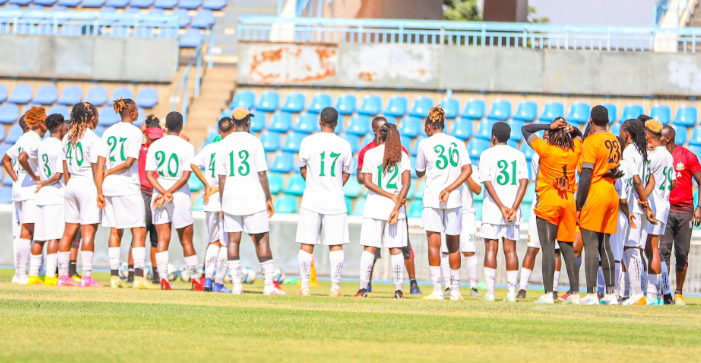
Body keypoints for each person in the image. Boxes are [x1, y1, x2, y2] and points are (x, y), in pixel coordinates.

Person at [217, 109, 285, 296]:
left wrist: (222, 203)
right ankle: (269, 286)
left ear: (232, 122)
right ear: (248, 122)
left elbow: (221, 178)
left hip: (231, 197)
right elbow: (261, 173)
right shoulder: (255, 142)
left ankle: (237, 285)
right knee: (262, 239)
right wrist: (269, 198)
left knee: (233, 240)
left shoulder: (224, 143)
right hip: (253, 197)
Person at [356, 116, 421, 295]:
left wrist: (388, 195)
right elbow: (407, 184)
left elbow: (367, 182)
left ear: (380, 136)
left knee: (369, 248)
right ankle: (398, 290)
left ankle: (363, 288)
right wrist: (396, 201)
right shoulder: (402, 155)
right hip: (395, 209)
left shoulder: (370, 154)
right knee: (396, 249)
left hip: (374, 207)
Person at [520, 119, 583, 304]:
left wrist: (549, 126)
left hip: (548, 200)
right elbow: (579, 135)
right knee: (567, 249)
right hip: (568, 201)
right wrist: (572, 129)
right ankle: (576, 295)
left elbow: (525, 129)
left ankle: (548, 295)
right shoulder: (574, 151)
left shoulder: (546, 150)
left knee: (547, 248)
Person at [96, 98, 153, 289]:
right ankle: (138, 277)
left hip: (108, 186)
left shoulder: (108, 131)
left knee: (115, 229)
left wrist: (99, 189)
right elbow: (129, 163)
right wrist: (110, 172)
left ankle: (114, 277)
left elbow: (100, 164)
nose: (138, 113)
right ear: (132, 113)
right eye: (136, 110)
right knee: (139, 229)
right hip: (127, 184)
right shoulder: (135, 132)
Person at [416, 106, 471, 300]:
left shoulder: (424, 144)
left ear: (430, 125)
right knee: (454, 245)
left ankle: (437, 290)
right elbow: (468, 170)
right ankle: (455, 291)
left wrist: (441, 187)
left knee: (434, 245)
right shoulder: (457, 143)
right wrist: (450, 188)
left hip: (432, 198)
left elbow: (419, 171)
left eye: (426, 126)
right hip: (454, 198)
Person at [296, 107, 353, 297]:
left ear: (319, 121)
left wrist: (313, 183)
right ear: (337, 123)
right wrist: (335, 184)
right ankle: (335, 288)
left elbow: (303, 168)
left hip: (312, 199)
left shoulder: (307, 142)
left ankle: (305, 287)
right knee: (336, 245)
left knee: (306, 244)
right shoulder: (344, 145)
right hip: (335, 200)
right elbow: (346, 173)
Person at [146, 111, 200, 291]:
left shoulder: (155, 145)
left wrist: (162, 192)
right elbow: (185, 176)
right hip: (179, 194)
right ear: (182, 127)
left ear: (165, 127)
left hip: (159, 192)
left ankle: (163, 279)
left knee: (162, 238)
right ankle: (195, 279)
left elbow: (149, 175)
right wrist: (169, 192)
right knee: (186, 241)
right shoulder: (187, 146)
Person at [577, 105, 625, 305]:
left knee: (590, 246)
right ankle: (611, 293)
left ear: (591, 120)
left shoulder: (591, 141)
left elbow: (586, 176)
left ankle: (590, 294)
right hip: (611, 193)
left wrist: (579, 205)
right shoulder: (615, 140)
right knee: (605, 246)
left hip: (595, 192)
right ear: (608, 121)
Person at [479, 122, 528, 302]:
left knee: (491, 249)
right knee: (511, 250)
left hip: (493, 209)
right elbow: (524, 182)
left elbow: (487, 182)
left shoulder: (486, 154)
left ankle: (490, 293)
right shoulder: (519, 155)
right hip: (512, 211)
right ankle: (511, 294)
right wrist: (513, 207)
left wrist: (501, 207)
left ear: (494, 136)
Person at [56, 102, 103, 287]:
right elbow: (95, 169)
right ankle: (87, 277)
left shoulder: (67, 136)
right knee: (88, 232)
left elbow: (65, 167)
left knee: (68, 232)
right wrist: (100, 192)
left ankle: (62, 277)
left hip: (72, 184)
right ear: (92, 118)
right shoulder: (92, 138)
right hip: (87, 184)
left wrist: (70, 186)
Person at [517, 129, 563, 300]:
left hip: (555, 202)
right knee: (533, 247)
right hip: (541, 201)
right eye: (543, 138)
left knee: (555, 250)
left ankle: (554, 289)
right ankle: (522, 288)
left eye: (547, 137)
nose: (545, 140)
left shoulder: (559, 154)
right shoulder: (539, 156)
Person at [660, 125, 701, 305]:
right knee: (664, 252)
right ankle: (665, 292)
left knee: (682, 254)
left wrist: (699, 207)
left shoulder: (688, 156)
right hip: (666, 211)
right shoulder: (659, 157)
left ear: (668, 138)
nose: (656, 139)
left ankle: (679, 292)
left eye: (659, 136)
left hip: (685, 213)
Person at [191, 117, 232, 293]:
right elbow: (230, 177)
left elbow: (193, 164)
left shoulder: (210, 148)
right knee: (225, 244)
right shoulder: (232, 149)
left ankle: (207, 280)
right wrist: (215, 188)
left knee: (213, 242)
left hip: (209, 202)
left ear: (218, 131)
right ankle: (219, 283)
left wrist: (207, 185)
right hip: (227, 201)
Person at [619, 118, 655, 305]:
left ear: (627, 133)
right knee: (634, 249)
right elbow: (651, 181)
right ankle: (631, 293)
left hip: (632, 206)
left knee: (631, 248)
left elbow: (637, 181)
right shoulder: (643, 152)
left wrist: (643, 203)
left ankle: (636, 294)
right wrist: (646, 204)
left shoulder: (630, 152)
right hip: (640, 207)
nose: (619, 134)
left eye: (621, 131)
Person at [28, 114, 66, 286]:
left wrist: (39, 180)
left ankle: (33, 275)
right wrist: (44, 181)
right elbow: (58, 175)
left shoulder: (41, 144)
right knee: (54, 237)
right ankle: (51, 276)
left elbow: (25, 158)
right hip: (55, 195)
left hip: (41, 196)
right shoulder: (60, 145)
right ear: (60, 127)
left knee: (39, 237)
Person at [642, 119, 676, 305]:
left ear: (648, 136)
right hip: (664, 204)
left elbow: (646, 180)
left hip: (654, 206)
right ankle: (665, 292)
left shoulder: (654, 156)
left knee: (652, 249)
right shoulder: (668, 155)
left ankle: (653, 295)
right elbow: (673, 182)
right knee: (654, 249)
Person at [14, 107, 47, 286]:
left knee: (23, 231)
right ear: (41, 122)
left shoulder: (22, 137)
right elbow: (21, 157)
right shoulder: (35, 139)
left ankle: (20, 273)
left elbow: (7, 157)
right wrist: (34, 177)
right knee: (28, 231)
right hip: (29, 189)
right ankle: (21, 274)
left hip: (19, 186)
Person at [138, 115, 163, 284]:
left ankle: (156, 274)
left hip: (158, 195)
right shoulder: (139, 147)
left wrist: (165, 130)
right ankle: (135, 273)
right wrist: (144, 129)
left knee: (157, 238)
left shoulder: (163, 147)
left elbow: (184, 138)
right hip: (144, 194)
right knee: (139, 234)